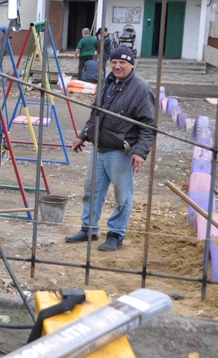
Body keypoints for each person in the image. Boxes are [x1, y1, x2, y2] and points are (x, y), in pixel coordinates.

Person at [66, 46, 154, 252]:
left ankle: (116, 234)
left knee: (122, 196)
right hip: (99, 148)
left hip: (121, 152)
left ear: (132, 64)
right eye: (114, 62)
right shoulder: (107, 82)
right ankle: (89, 229)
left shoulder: (141, 88)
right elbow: (95, 114)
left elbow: (148, 125)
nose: (117, 66)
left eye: (123, 62)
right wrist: (83, 135)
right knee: (92, 191)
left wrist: (140, 152)